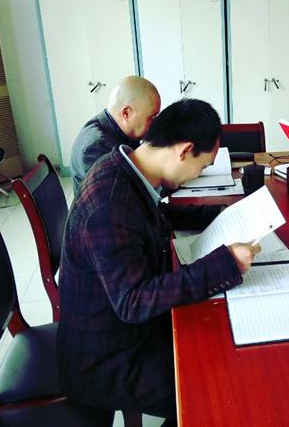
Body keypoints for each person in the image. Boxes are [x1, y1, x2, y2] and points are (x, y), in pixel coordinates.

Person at [57, 99, 261, 424]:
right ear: (185, 151)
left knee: (218, 342)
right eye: (202, 166)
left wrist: (220, 214)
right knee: (217, 390)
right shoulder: (109, 203)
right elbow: (134, 301)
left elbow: (157, 214)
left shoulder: (125, 167)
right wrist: (226, 264)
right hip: (106, 360)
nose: (198, 174)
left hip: (126, 333)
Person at [70, 75, 161, 196]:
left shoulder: (114, 128)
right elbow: (126, 195)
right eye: (152, 117)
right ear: (126, 113)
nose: (155, 124)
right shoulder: (97, 146)